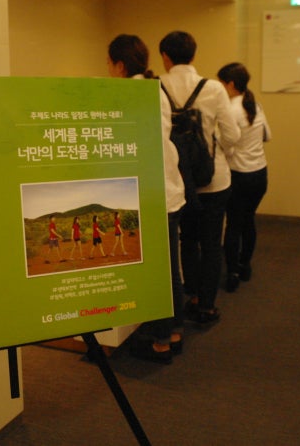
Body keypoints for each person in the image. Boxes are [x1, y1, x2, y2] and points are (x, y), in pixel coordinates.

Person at [107, 33, 186, 363]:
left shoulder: (127, 93)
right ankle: (174, 331)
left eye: (110, 64)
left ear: (119, 65)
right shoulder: (156, 88)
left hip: (153, 194)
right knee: (170, 267)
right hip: (170, 189)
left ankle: (161, 341)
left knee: (158, 273)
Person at [159, 31, 240, 326]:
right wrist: (216, 148)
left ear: (165, 57)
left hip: (178, 180)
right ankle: (206, 306)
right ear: (193, 55)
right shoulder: (214, 88)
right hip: (214, 180)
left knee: (187, 241)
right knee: (211, 243)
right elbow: (233, 135)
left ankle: (191, 295)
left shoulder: (156, 86)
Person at [217, 62, 271, 292]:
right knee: (248, 220)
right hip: (260, 174)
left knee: (234, 225)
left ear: (230, 84)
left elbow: (226, 144)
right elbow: (268, 135)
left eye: (221, 83)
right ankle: (245, 265)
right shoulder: (255, 105)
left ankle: (233, 273)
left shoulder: (230, 110)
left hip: (239, 176)